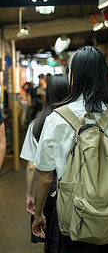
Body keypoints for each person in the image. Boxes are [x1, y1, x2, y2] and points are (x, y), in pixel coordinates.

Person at [32, 46, 108, 253]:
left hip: (71, 214)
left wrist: (39, 214)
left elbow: (44, 176)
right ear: (102, 76)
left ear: (73, 76)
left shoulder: (55, 119)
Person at [20, 74, 69, 243]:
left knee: (48, 237)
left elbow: (31, 166)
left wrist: (29, 195)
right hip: (75, 186)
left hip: (48, 190)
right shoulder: (76, 122)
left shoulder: (36, 125)